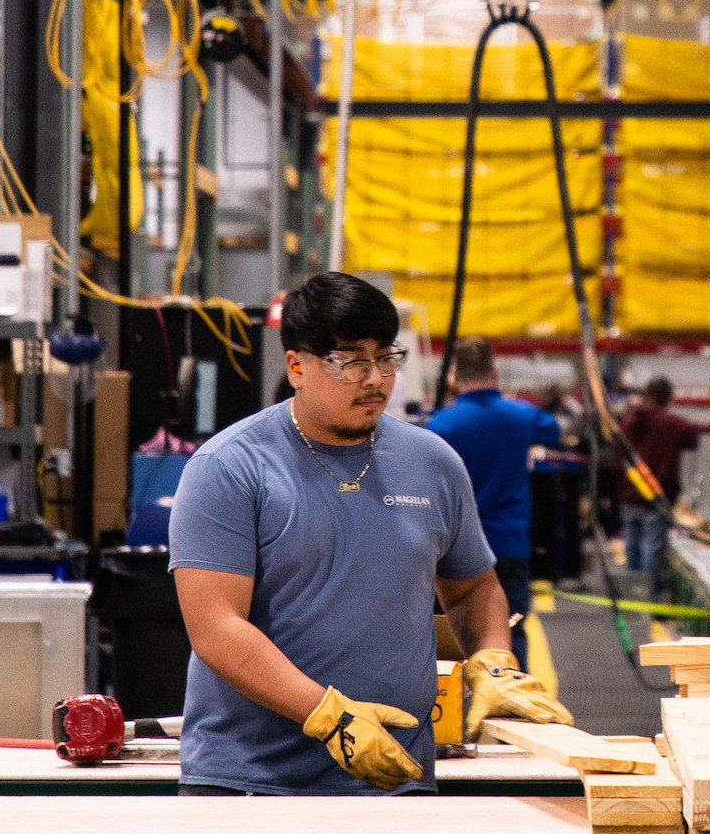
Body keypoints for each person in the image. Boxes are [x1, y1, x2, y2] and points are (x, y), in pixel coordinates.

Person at [167, 273, 572, 796]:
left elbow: (472, 587)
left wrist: (492, 658)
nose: (375, 378)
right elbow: (216, 627)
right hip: (251, 782)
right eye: (351, 361)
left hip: (396, 778)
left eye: (385, 358)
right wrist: (327, 716)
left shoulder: (433, 462)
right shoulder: (229, 468)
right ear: (296, 366)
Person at [426, 337, 562, 665]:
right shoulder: (521, 416)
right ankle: (514, 709)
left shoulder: (442, 424)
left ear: (455, 373)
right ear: (495, 369)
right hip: (509, 542)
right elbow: (553, 431)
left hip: (456, 549)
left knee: (452, 633)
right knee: (512, 629)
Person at [616, 376, 707, 597]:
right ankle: (653, 597)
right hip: (656, 497)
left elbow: (617, 457)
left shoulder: (628, 422)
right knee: (652, 548)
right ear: (668, 397)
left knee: (632, 546)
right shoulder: (671, 423)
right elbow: (699, 433)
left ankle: (634, 597)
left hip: (630, 494)